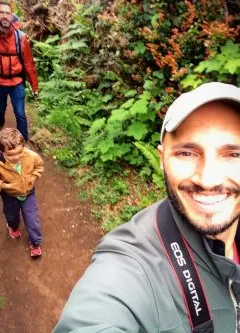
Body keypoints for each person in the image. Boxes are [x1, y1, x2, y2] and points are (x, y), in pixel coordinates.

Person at [53, 82, 240, 333]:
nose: (207, 179)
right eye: (187, 153)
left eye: (233, 154)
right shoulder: (132, 264)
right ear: (162, 159)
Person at [0, 128, 43, 257]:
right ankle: (12, 226)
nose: (16, 157)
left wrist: (33, 177)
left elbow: (39, 166)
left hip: (28, 193)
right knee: (12, 216)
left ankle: (35, 243)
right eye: (11, 155)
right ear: (2, 152)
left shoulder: (31, 156)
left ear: (23, 147)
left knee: (32, 219)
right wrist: (6, 185)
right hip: (9, 196)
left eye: (19, 153)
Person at [0, 0, 38, 140]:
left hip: (16, 82)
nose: (5, 16)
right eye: (2, 12)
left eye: (8, 13)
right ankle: (0, 125)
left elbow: (29, 63)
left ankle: (23, 142)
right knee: (0, 108)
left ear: (12, 16)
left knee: (20, 113)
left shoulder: (20, 37)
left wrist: (34, 85)